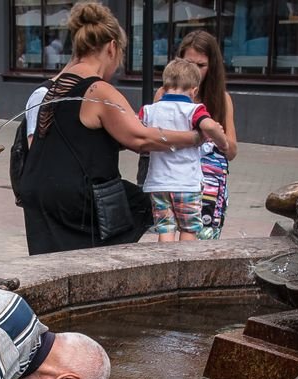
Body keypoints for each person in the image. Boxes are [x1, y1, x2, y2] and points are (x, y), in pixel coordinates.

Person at [18, 2, 200, 256]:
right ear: (112, 48)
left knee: (51, 266)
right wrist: (194, 136)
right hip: (76, 201)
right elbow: (140, 137)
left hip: (39, 192)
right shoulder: (98, 91)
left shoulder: (54, 87)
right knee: (141, 205)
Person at [140, 59, 228, 242]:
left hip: (158, 183)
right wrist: (223, 143)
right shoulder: (194, 110)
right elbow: (210, 126)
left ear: (164, 88)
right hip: (186, 183)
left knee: (165, 229)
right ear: (194, 91)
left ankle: (165, 266)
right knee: (189, 229)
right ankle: (184, 268)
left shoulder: (149, 110)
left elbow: (135, 128)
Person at [176, 30, 239, 239]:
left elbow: (232, 150)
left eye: (201, 65)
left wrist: (216, 137)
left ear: (212, 67)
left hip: (210, 186)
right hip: (176, 181)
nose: (193, 71)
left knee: (204, 242)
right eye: (188, 63)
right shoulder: (166, 94)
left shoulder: (222, 99)